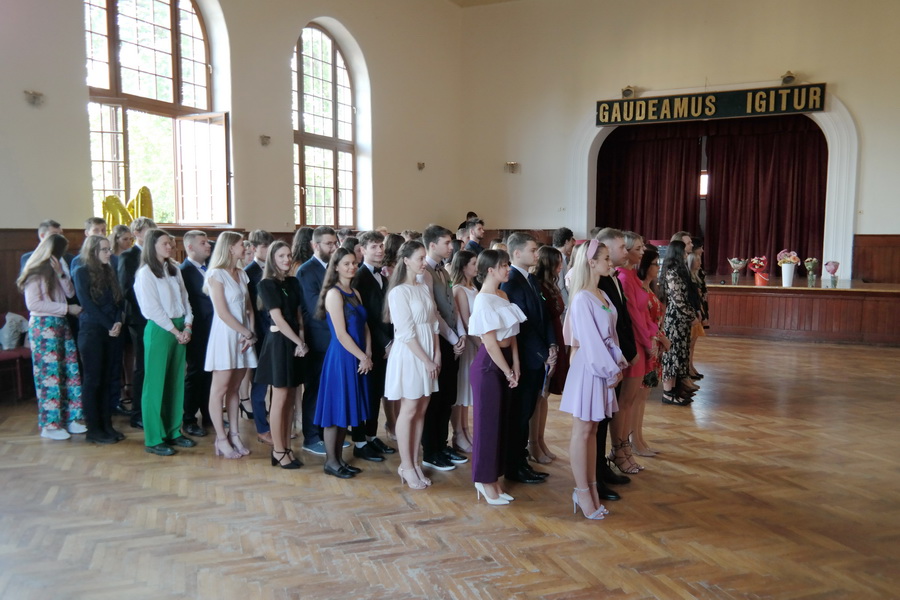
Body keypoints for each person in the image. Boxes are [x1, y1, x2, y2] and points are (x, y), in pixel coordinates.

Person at [561, 239, 627, 520]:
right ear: (591, 262)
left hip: (603, 367)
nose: (611, 263)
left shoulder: (601, 293)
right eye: (606, 258)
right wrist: (611, 369)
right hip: (590, 369)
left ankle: (591, 486)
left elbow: (611, 336)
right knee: (583, 430)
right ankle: (582, 490)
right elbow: (589, 341)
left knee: (593, 430)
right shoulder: (581, 299)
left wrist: (618, 361)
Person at [468, 249, 526, 505]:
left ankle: (494, 479)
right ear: (490, 270)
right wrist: (507, 370)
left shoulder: (503, 295)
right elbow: (490, 343)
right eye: (504, 265)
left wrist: (516, 364)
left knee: (500, 424)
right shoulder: (482, 300)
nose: (508, 269)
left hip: (504, 363)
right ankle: (483, 480)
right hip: (488, 366)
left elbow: (513, 336)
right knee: (486, 426)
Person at [500, 232, 557, 484]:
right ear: (517, 253)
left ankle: (521, 460)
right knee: (519, 414)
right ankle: (514, 465)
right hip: (524, 358)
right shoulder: (511, 282)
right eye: (533, 250)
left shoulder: (531, 279)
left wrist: (552, 343)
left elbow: (543, 316)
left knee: (527, 410)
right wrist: (542, 353)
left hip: (538, 355)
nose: (537, 254)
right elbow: (522, 326)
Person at [134, 228, 195, 456]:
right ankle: (154, 437)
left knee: (175, 382)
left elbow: (185, 300)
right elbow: (151, 308)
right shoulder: (145, 273)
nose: (170, 247)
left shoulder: (174, 269)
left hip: (180, 327)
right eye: (165, 244)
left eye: (170, 243)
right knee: (155, 384)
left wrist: (187, 325)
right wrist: (175, 331)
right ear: (152, 247)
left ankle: (173, 431)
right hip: (160, 329)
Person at [17, 234, 84, 440]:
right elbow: (34, 304)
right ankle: (51, 425)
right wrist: (66, 309)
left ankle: (72, 418)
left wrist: (61, 273)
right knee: (50, 376)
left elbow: (70, 292)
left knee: (70, 370)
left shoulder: (56, 269)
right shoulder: (34, 272)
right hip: (44, 326)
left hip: (61, 324)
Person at [384, 241, 440, 490]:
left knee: (421, 409)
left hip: (428, 351)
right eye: (420, 258)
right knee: (409, 408)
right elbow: (405, 333)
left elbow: (434, 322)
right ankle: (406, 465)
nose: (424, 262)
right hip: (410, 355)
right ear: (406, 260)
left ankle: (415, 462)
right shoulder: (399, 292)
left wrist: (437, 353)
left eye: (425, 257)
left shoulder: (423, 286)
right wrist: (426, 359)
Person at [314, 248, 372, 478]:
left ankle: (339, 460)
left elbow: (365, 326)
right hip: (342, 357)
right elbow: (340, 334)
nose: (352, 267)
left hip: (358, 356)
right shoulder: (333, 294)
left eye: (354, 263)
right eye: (346, 263)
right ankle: (331, 462)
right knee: (335, 410)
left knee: (345, 409)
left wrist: (368, 352)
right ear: (336, 267)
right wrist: (362, 357)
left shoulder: (355, 292)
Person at [204, 231, 258, 459]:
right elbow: (223, 312)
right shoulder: (216, 274)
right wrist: (245, 332)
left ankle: (235, 434)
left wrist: (250, 334)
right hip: (226, 335)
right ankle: (221, 438)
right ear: (229, 248)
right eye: (241, 245)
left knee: (235, 388)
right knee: (220, 389)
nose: (245, 248)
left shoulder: (242, 274)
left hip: (244, 337)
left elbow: (249, 308)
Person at [255, 240, 308, 469]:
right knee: (280, 397)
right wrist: (298, 341)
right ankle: (278, 449)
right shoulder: (266, 284)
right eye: (281, 256)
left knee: (291, 398)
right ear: (272, 259)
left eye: (288, 255)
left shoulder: (293, 281)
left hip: (296, 342)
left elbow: (298, 315)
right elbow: (278, 318)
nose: (287, 259)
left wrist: (302, 338)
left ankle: (286, 446)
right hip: (279, 343)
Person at [420, 225, 468, 471]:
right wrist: (452, 337)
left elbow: (452, 307)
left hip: (451, 341)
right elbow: (433, 312)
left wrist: (461, 334)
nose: (451, 247)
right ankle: (430, 450)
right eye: (447, 243)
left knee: (448, 396)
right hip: (437, 341)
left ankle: (442, 443)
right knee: (436, 399)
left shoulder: (444, 270)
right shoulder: (424, 271)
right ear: (432, 245)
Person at [593, 227, 636, 496]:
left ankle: (602, 467)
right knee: (596, 424)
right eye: (620, 247)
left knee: (607, 417)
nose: (625, 251)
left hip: (616, 360)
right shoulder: (595, 285)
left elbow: (623, 319)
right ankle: (595, 475)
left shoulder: (614, 278)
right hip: (604, 363)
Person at [73, 235, 125, 444]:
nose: (109, 253)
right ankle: (94, 429)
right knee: (93, 381)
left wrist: (118, 321)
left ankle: (107, 425)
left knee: (107, 379)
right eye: (104, 249)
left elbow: (118, 300)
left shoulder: (109, 270)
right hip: (92, 331)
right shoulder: (81, 271)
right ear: (92, 251)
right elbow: (87, 304)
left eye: (109, 249)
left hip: (111, 330)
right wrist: (109, 325)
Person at [350, 231, 396, 462]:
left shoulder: (383, 276)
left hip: (385, 344)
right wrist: (385, 342)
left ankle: (371, 435)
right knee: (364, 393)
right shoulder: (359, 277)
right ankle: (359, 441)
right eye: (374, 246)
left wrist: (393, 339)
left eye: (381, 246)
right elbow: (366, 317)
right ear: (363, 250)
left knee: (376, 393)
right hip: (369, 345)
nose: (379, 250)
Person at [609, 231, 650, 474]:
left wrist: (653, 335)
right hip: (632, 345)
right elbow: (633, 317)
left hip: (640, 343)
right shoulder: (623, 277)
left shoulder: (631, 276)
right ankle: (620, 449)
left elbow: (644, 312)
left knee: (630, 401)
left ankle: (624, 448)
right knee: (624, 402)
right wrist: (648, 342)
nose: (642, 252)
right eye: (638, 248)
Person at [297, 226, 338, 455]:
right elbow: (314, 307)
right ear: (315, 245)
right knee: (314, 388)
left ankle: (327, 434)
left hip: (336, 336)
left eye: (335, 243)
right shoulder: (306, 270)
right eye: (328, 244)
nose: (333, 247)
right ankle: (311, 436)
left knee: (330, 388)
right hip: (318, 336)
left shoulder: (335, 267)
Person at [528, 244, 568, 464]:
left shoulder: (551, 285)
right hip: (545, 340)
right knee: (538, 396)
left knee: (544, 396)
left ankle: (541, 440)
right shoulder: (537, 285)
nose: (561, 267)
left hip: (555, 337)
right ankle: (533, 443)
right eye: (557, 263)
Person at [118, 216, 156, 429]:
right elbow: (126, 289)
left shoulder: (155, 255)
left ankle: (154, 408)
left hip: (158, 317)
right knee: (142, 365)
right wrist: (149, 306)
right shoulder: (128, 256)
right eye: (148, 231)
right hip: (139, 318)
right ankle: (138, 413)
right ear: (137, 233)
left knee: (155, 365)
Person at [631, 244, 669, 456]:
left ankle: (639, 438)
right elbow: (643, 322)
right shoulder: (639, 288)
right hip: (647, 346)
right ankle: (634, 440)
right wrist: (660, 338)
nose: (658, 267)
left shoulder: (649, 288)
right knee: (637, 398)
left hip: (654, 346)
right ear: (645, 266)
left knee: (643, 396)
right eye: (655, 264)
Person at [179, 230, 213, 437]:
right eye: (203, 243)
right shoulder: (183, 271)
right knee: (195, 374)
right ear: (190, 247)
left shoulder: (209, 268)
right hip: (197, 328)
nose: (208, 245)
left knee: (209, 373)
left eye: (207, 242)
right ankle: (189, 418)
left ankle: (209, 414)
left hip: (212, 328)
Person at [660, 239, 702, 405]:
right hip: (675, 320)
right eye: (684, 252)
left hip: (682, 319)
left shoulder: (678, 271)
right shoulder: (672, 272)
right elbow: (678, 300)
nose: (686, 255)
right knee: (673, 354)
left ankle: (676, 388)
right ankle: (668, 393)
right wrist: (692, 316)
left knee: (681, 353)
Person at [244, 229, 275, 443]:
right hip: (261, 334)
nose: (268, 250)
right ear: (254, 248)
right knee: (260, 383)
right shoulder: (249, 272)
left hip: (274, 333)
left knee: (276, 383)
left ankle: (275, 423)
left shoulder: (273, 269)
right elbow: (251, 308)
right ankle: (262, 428)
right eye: (264, 247)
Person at [449, 249, 478, 452]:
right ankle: (458, 433)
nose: (477, 267)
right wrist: (481, 344)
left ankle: (465, 429)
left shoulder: (473, 287)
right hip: (467, 343)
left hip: (475, 342)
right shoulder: (459, 289)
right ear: (463, 266)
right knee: (460, 391)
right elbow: (466, 323)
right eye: (473, 263)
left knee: (467, 390)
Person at [379, 232, 405, 438]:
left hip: (399, 327)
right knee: (390, 382)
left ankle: (399, 419)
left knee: (399, 381)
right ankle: (392, 421)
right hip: (388, 327)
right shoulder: (386, 270)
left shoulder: (400, 267)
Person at [552, 227, 575, 306]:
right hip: (563, 303)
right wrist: (568, 305)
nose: (573, 243)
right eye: (571, 240)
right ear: (566, 241)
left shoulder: (562, 257)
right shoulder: (559, 258)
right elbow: (561, 286)